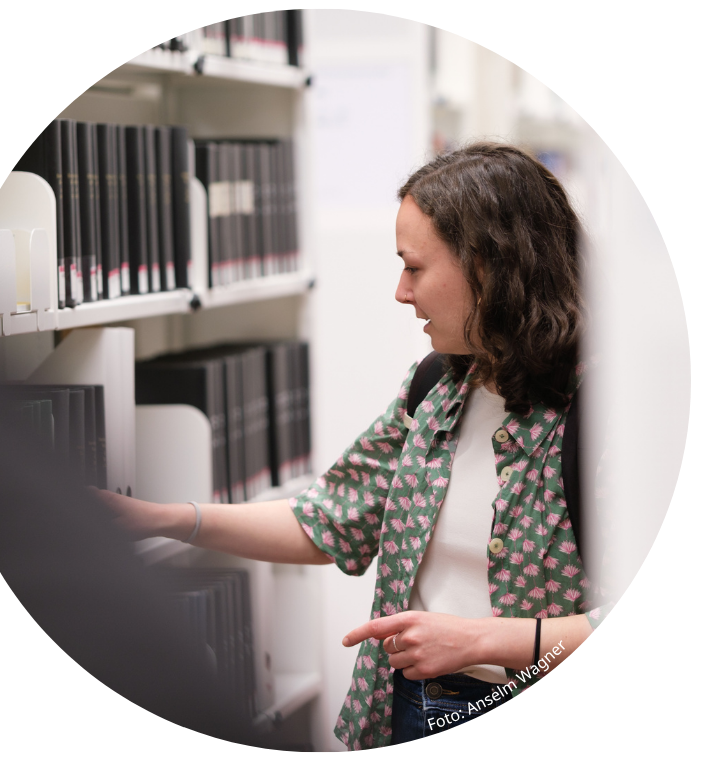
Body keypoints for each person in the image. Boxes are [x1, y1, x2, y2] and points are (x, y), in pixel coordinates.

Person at [95, 142, 604, 750]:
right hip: (405, 707)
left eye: (415, 267)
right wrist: (163, 520)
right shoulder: (437, 387)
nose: (400, 291)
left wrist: (478, 641)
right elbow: (326, 521)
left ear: (489, 269)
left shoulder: (605, 412)